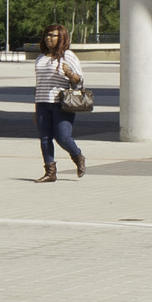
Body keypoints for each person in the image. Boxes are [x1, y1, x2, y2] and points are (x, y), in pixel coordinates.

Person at [29, 24, 88, 183]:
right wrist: (36, 109)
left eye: (53, 35)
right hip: (42, 103)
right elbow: (39, 84)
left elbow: (79, 82)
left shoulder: (68, 56)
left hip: (61, 104)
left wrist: (69, 73)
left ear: (61, 37)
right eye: (47, 35)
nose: (49, 38)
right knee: (45, 138)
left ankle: (77, 156)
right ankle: (50, 171)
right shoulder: (40, 58)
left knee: (63, 137)